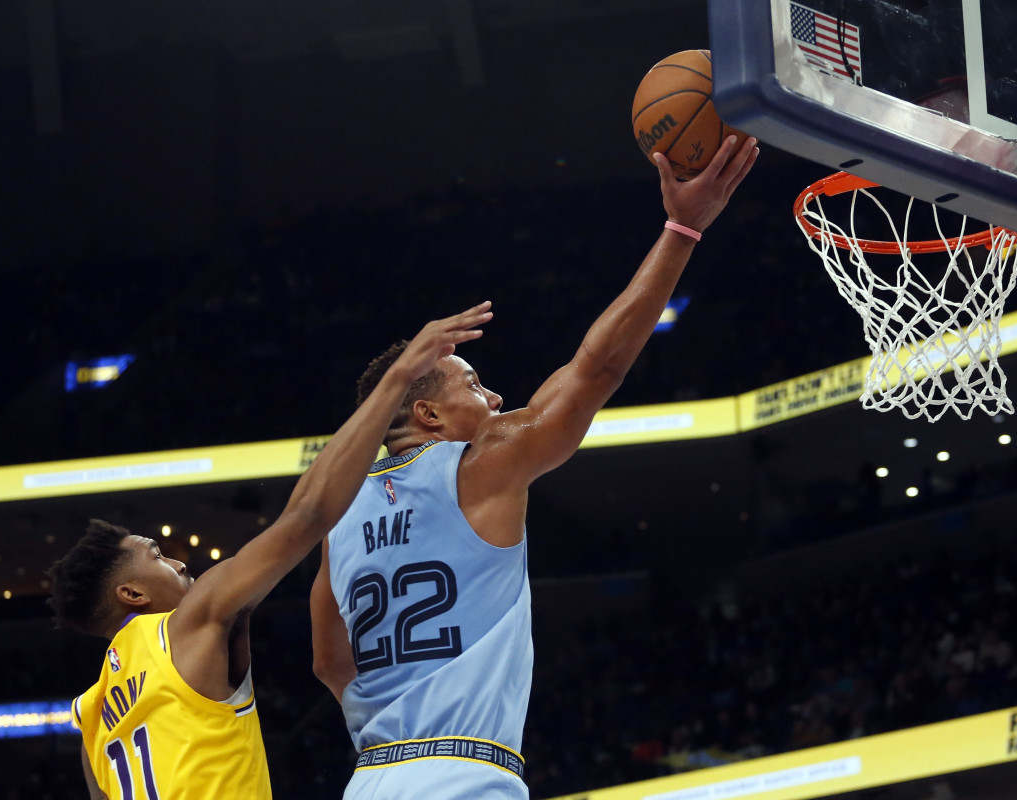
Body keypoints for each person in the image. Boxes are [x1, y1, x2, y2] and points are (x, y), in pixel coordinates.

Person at [309, 137, 760, 799]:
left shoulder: (337, 516)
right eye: (475, 385)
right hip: (464, 772)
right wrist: (683, 228)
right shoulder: (480, 465)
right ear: (429, 415)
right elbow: (595, 371)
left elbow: (328, 662)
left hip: (372, 777)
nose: (494, 399)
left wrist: (395, 731)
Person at [47, 301, 494, 800]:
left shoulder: (89, 716)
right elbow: (307, 516)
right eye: (156, 556)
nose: (177, 562)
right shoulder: (186, 624)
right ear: (130, 593)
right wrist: (398, 380)